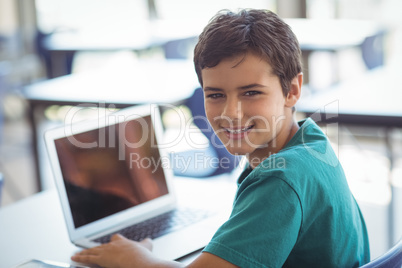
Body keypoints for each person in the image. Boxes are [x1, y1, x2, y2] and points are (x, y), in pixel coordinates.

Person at [71, 9, 370, 267]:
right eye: (215, 95)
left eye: (251, 92)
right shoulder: (310, 141)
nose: (231, 113)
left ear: (291, 91)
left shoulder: (280, 179)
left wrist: (135, 260)